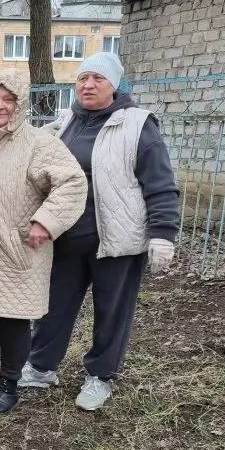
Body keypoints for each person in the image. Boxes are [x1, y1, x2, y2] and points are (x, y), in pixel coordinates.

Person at [19, 52, 180, 410]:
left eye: (98, 79)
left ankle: (100, 376)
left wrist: (163, 233)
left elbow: (160, 183)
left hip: (118, 240)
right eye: (82, 78)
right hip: (67, 239)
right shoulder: (64, 124)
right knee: (53, 307)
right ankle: (42, 366)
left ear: (114, 85)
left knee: (112, 310)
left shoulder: (137, 125)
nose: (89, 85)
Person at [0, 69, 87, 415]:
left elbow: (72, 183)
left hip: (13, 247)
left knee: (12, 318)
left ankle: (8, 384)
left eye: (7, 100)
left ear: (20, 104)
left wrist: (46, 221)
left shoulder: (38, 143)